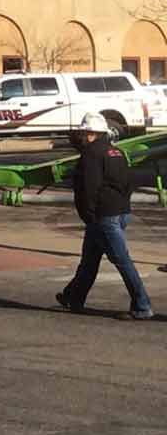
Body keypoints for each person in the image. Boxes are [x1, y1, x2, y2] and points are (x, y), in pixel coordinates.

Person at [56, 113, 154, 320]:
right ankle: (73, 296)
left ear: (90, 134)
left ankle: (142, 305)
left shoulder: (91, 154)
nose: (82, 136)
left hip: (103, 216)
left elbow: (88, 188)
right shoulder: (116, 152)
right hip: (120, 212)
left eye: (84, 133)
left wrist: (88, 213)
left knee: (122, 261)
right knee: (89, 260)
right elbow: (128, 182)